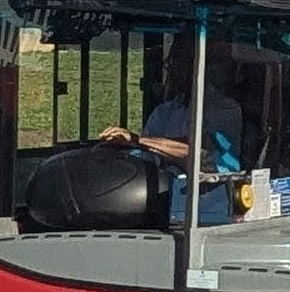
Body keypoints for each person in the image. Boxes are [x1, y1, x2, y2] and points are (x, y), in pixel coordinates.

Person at [96, 49, 248, 225]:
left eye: (178, 65)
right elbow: (145, 156)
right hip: (162, 200)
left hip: (214, 204)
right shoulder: (164, 112)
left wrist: (137, 140)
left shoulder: (225, 109)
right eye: (169, 65)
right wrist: (114, 151)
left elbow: (196, 149)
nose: (171, 72)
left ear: (197, 68)